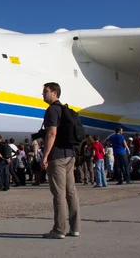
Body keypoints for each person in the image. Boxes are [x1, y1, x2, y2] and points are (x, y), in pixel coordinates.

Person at [40, 82, 80, 239]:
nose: (43, 94)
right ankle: (75, 228)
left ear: (55, 92)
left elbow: (51, 134)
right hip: (70, 154)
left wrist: (45, 156)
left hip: (57, 156)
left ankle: (59, 229)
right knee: (71, 192)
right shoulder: (65, 110)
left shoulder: (52, 110)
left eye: (46, 91)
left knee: (59, 193)